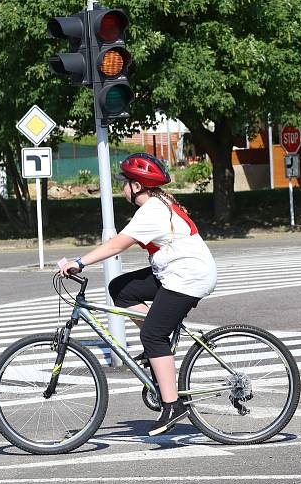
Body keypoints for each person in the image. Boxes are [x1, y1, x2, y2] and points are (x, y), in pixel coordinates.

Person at [59, 153, 217, 436]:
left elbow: (118, 244)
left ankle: (172, 405)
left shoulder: (152, 211)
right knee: (120, 289)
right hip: (174, 272)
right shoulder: (155, 205)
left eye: (126, 182)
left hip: (188, 277)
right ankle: (160, 346)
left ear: (138, 186)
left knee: (152, 335)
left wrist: (79, 262)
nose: (122, 186)